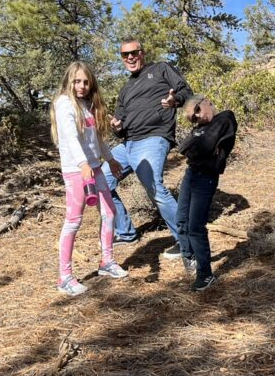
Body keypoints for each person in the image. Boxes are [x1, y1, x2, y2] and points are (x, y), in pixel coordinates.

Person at [101, 39, 193, 258]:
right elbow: (121, 126)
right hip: (128, 144)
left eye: (134, 52)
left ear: (142, 53)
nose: (130, 57)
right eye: (125, 55)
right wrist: (117, 126)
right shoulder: (125, 89)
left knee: (154, 187)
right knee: (100, 181)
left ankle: (186, 242)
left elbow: (186, 91)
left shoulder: (160, 69)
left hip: (153, 138)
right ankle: (125, 232)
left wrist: (174, 101)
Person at [50, 61, 129, 296]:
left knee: (109, 212)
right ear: (69, 81)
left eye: (85, 81)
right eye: (77, 81)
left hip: (94, 167)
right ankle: (64, 276)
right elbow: (71, 138)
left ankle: (107, 262)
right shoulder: (64, 104)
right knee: (73, 220)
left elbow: (96, 139)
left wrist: (110, 159)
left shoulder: (86, 105)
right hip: (77, 170)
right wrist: (82, 164)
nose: (82, 86)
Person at [175, 94, 237, 292]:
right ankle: (190, 258)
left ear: (206, 101)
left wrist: (197, 144)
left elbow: (203, 146)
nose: (197, 118)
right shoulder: (202, 128)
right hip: (191, 174)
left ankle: (205, 274)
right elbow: (183, 148)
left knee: (196, 226)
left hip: (206, 177)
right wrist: (196, 145)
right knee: (181, 219)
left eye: (197, 111)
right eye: (193, 119)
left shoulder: (225, 118)